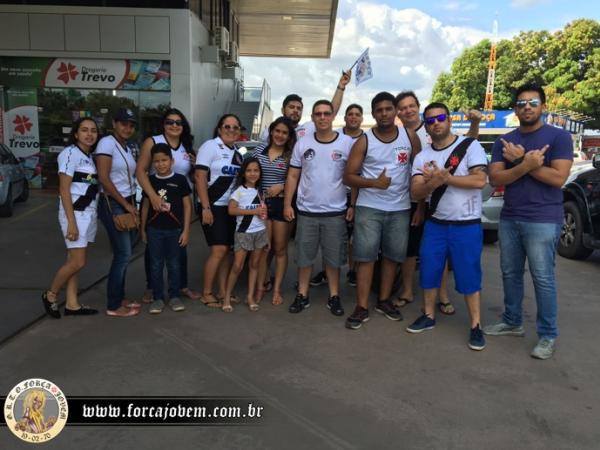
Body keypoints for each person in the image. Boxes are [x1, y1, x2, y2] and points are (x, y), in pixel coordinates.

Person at [484, 84, 573, 360]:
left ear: (543, 106)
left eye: (533, 102)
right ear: (515, 109)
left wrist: (520, 161)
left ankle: (548, 335)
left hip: (543, 218)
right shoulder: (504, 141)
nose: (527, 107)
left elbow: (558, 179)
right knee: (510, 274)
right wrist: (527, 164)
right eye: (521, 103)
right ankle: (512, 322)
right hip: (510, 217)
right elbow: (495, 179)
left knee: (543, 278)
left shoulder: (559, 137)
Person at [406, 102, 488, 351]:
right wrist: (433, 183)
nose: (436, 123)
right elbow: (416, 191)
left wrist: (447, 178)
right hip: (436, 224)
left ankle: (476, 325)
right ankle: (428, 315)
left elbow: (479, 180)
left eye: (440, 118)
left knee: (469, 274)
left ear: (449, 119)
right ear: (426, 127)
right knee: (429, 270)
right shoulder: (422, 157)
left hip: (466, 223)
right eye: (430, 121)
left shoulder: (470, 145)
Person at [394, 91, 482, 314]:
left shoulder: (432, 130)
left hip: (434, 203)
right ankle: (407, 291)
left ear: (418, 108)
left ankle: (443, 296)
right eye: (402, 107)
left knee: (439, 254)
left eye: (411, 106)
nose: (408, 110)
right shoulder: (398, 134)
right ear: (398, 112)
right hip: (410, 198)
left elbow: (465, 147)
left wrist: (475, 123)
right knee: (412, 250)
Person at [343, 92, 421, 329]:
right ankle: (361, 306)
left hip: (400, 208)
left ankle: (384, 300)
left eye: (388, 109)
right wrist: (373, 183)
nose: (384, 113)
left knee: (392, 256)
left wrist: (419, 207)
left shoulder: (409, 136)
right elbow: (348, 176)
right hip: (369, 207)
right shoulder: (364, 141)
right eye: (379, 110)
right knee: (365, 258)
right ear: (373, 113)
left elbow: (418, 172)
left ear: (395, 111)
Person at [284, 100, 354, 316]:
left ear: (333, 116)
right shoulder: (302, 143)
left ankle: (334, 296)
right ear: (313, 117)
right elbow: (293, 175)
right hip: (307, 212)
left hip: (335, 212)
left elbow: (354, 176)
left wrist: (353, 204)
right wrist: (287, 203)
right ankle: (302, 295)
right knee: (304, 258)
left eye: (326, 113)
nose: (322, 117)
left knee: (333, 259)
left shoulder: (346, 143)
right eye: (318, 114)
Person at [135, 108, 200, 303]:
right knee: (153, 251)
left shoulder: (186, 146)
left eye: (178, 122)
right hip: (155, 201)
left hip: (178, 204)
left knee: (180, 248)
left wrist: (196, 166)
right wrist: (153, 196)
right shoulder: (153, 141)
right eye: (170, 122)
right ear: (163, 124)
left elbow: (190, 177)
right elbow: (140, 171)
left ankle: (181, 286)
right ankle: (152, 288)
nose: (174, 125)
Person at [42, 118, 100, 318]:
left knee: (73, 260)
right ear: (76, 134)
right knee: (78, 262)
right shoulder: (69, 154)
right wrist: (72, 223)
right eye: (84, 130)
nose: (89, 134)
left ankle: (72, 304)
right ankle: (51, 295)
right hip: (74, 214)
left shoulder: (89, 157)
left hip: (89, 214)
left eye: (93, 130)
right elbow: (64, 189)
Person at [311, 103, 365, 288]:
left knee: (353, 237)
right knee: (330, 237)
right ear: (344, 117)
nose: (353, 117)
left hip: (355, 194)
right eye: (350, 114)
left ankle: (353, 271)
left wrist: (354, 204)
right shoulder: (336, 136)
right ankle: (326, 273)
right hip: (333, 195)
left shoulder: (365, 139)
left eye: (357, 114)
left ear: (362, 118)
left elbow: (359, 173)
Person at [195, 114, 244, 308]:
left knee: (226, 251)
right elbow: (199, 177)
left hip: (229, 208)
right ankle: (206, 293)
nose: (231, 130)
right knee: (219, 250)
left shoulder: (237, 153)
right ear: (219, 128)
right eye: (227, 126)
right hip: (212, 205)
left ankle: (223, 291)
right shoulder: (210, 146)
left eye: (235, 127)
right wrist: (205, 207)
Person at [96, 108, 141, 317]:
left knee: (123, 253)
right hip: (114, 203)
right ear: (114, 123)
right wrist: (125, 204)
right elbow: (104, 178)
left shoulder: (127, 146)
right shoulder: (107, 143)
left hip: (127, 201)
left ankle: (119, 297)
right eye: (123, 124)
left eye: (131, 125)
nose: (127, 128)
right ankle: (113, 305)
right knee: (123, 254)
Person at [140, 143, 192, 314]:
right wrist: (143, 229)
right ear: (152, 163)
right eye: (157, 161)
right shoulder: (150, 181)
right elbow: (145, 206)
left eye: (164, 160)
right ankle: (158, 298)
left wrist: (186, 230)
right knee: (155, 264)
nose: (161, 164)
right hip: (154, 230)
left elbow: (187, 206)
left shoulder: (180, 180)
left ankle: (174, 296)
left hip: (175, 230)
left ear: (172, 161)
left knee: (174, 264)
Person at [252, 117, 297, 305]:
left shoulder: (291, 155)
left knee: (280, 249)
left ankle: (277, 290)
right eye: (277, 131)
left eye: (284, 132)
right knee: (264, 248)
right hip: (262, 205)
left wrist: (282, 185)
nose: (280, 135)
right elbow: (249, 175)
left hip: (281, 204)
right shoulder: (258, 151)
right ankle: (261, 286)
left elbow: (299, 178)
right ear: (271, 131)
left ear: (289, 136)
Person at [222, 158, 270, 313]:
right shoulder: (238, 191)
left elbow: (264, 215)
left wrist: (267, 236)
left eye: (256, 170)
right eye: (249, 170)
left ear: (260, 173)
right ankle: (227, 297)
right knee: (237, 266)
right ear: (243, 173)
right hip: (243, 233)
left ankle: (250, 297)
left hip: (260, 232)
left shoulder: (261, 192)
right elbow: (231, 210)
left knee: (254, 265)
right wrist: (253, 211)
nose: (252, 173)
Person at [259, 70, 352, 143]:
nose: (296, 110)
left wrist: (341, 86)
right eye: (291, 107)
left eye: (299, 108)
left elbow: (331, 111)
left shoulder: (308, 128)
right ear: (283, 110)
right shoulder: (270, 131)